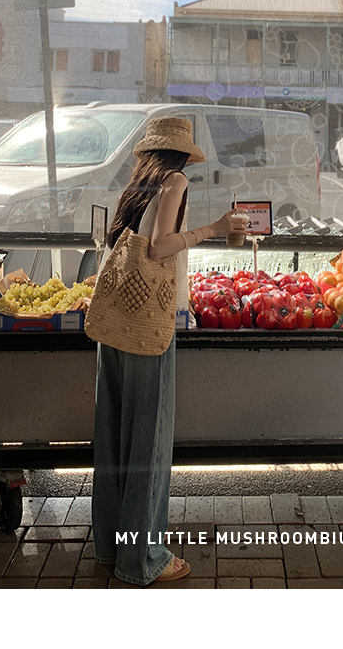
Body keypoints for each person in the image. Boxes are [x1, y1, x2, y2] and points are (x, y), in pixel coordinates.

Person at [91, 116, 246, 586]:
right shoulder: (175, 181)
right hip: (147, 328)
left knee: (114, 435)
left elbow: (129, 244)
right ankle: (143, 559)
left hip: (115, 323)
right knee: (150, 440)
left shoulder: (137, 186)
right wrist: (214, 228)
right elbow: (160, 248)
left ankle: (110, 547)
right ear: (183, 153)